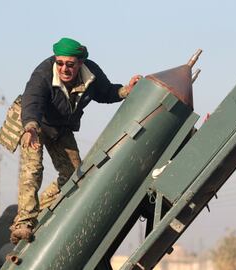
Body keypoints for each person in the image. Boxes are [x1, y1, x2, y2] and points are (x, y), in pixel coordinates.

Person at [9, 37, 141, 244]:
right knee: (32, 168)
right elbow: (32, 100)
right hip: (34, 125)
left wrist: (126, 91)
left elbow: (106, 92)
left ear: (80, 63)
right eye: (60, 63)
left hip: (60, 128)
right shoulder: (43, 74)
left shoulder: (91, 73)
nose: (64, 69)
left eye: (70, 64)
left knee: (74, 175)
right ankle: (23, 223)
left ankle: (39, 211)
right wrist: (30, 127)